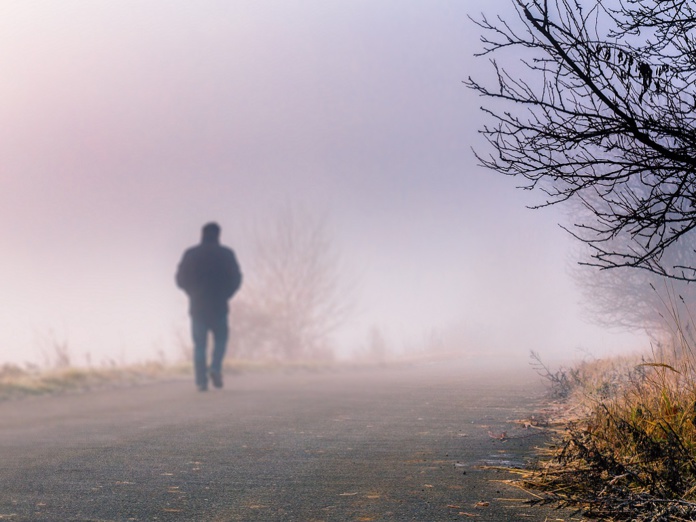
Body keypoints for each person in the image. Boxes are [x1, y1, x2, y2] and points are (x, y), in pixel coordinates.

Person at [176, 222, 242, 391]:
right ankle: (215, 368)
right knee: (221, 339)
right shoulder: (226, 254)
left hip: (198, 306)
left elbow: (180, 279)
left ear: (202, 234)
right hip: (219, 305)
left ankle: (200, 381)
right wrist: (227, 294)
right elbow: (236, 278)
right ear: (218, 235)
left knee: (199, 344)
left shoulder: (191, 254)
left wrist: (192, 293)